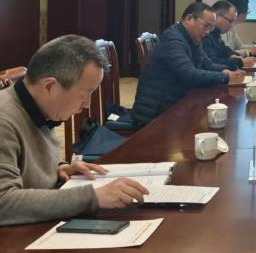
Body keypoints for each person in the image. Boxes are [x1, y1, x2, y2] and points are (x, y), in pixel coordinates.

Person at [0, 35, 149, 226]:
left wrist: (57, 168)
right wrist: (92, 197)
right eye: (84, 94)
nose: (87, 104)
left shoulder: (40, 106)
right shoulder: (5, 120)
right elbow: (4, 203)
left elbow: (23, 164)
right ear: (50, 86)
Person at [131, 2, 245, 126]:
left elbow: (206, 63)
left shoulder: (192, 37)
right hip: (157, 112)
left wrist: (225, 70)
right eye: (206, 26)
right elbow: (189, 74)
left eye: (211, 28)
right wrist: (225, 77)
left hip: (175, 102)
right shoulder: (173, 40)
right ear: (189, 19)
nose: (208, 32)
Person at [202, 0, 256, 70]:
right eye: (230, 21)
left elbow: (225, 49)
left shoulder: (216, 32)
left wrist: (232, 55)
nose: (232, 25)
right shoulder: (205, 34)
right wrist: (240, 62)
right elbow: (212, 61)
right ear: (217, 16)